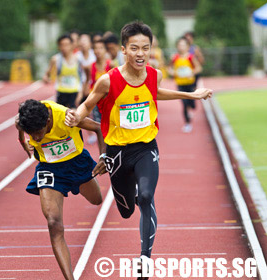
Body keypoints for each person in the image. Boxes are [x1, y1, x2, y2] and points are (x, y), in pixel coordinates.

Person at [65, 22, 212, 280]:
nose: (140, 53)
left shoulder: (155, 74)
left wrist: (192, 95)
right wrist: (74, 118)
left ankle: (145, 259)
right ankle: (127, 191)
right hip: (117, 152)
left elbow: (156, 92)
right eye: (134, 48)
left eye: (145, 47)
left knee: (146, 196)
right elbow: (87, 106)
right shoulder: (107, 81)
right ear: (124, 49)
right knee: (126, 210)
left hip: (146, 148)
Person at [15, 99, 106, 280]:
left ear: (47, 122)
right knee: (53, 224)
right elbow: (18, 124)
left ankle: (75, 185)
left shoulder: (66, 117)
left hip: (76, 163)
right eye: (32, 134)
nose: (37, 138)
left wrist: (103, 156)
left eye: (39, 133)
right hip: (49, 168)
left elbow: (97, 127)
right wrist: (23, 141)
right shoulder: (25, 120)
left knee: (97, 200)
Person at [43, 34, 87, 108]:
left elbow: (83, 76)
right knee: (61, 116)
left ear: (72, 45)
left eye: (66, 44)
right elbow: (47, 73)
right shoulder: (55, 59)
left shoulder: (78, 59)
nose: (64, 47)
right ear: (59, 46)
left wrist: (81, 92)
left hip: (75, 91)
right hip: (61, 91)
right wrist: (46, 77)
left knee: (73, 115)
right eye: (62, 45)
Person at [168, 36, 202, 133]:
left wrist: (191, 73)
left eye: (183, 45)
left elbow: (198, 68)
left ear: (188, 47)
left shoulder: (191, 57)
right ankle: (187, 123)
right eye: (179, 45)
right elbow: (169, 68)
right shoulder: (174, 57)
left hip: (190, 84)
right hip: (180, 84)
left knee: (192, 104)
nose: (181, 47)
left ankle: (191, 107)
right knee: (184, 103)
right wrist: (173, 73)